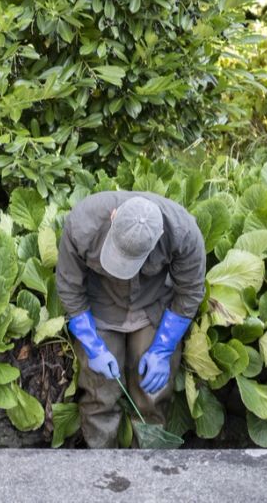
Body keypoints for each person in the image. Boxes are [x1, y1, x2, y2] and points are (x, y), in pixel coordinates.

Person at [56, 191, 205, 448]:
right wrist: (93, 346)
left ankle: (149, 463)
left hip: (152, 304)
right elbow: (70, 289)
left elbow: (190, 292)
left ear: (158, 237)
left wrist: (162, 350)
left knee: (153, 388)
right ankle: (102, 463)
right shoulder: (82, 224)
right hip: (101, 304)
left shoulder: (183, 232)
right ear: (113, 217)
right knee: (99, 389)